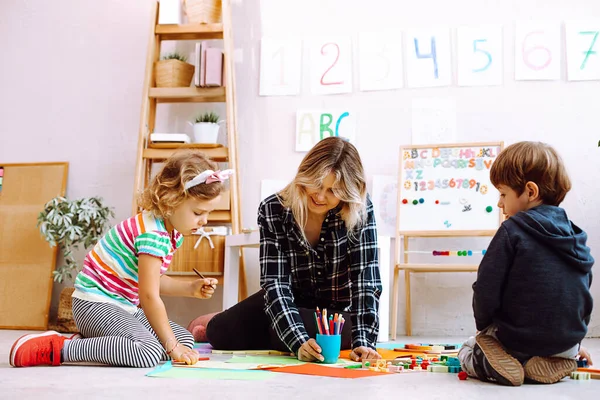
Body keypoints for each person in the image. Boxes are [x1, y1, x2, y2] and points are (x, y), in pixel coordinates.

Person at [9, 151, 228, 368]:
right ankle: (60, 347)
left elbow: (150, 281)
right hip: (94, 305)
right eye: (198, 213)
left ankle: (104, 344)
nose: (204, 221)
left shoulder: (169, 231)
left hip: (123, 307)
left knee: (186, 341)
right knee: (149, 352)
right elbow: (149, 295)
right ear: (171, 201)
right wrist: (171, 346)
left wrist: (191, 288)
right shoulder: (152, 234)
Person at [188, 137, 383, 362]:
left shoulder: (361, 209)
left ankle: (277, 330)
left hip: (334, 314)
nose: (320, 196)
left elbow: (365, 281)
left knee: (332, 332)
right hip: (287, 302)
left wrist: (364, 343)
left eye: (333, 191)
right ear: (304, 175)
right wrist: (297, 341)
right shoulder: (273, 209)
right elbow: (275, 284)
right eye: (317, 185)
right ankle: (222, 321)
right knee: (220, 332)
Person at [458, 141, 594, 386]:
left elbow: (486, 287)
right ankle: (558, 357)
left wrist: (483, 327)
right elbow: (582, 295)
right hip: (564, 341)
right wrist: (575, 342)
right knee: (556, 346)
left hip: (515, 341)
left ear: (530, 192)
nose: (499, 203)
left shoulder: (512, 230)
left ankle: (499, 367)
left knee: (467, 348)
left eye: (502, 193)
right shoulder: (577, 237)